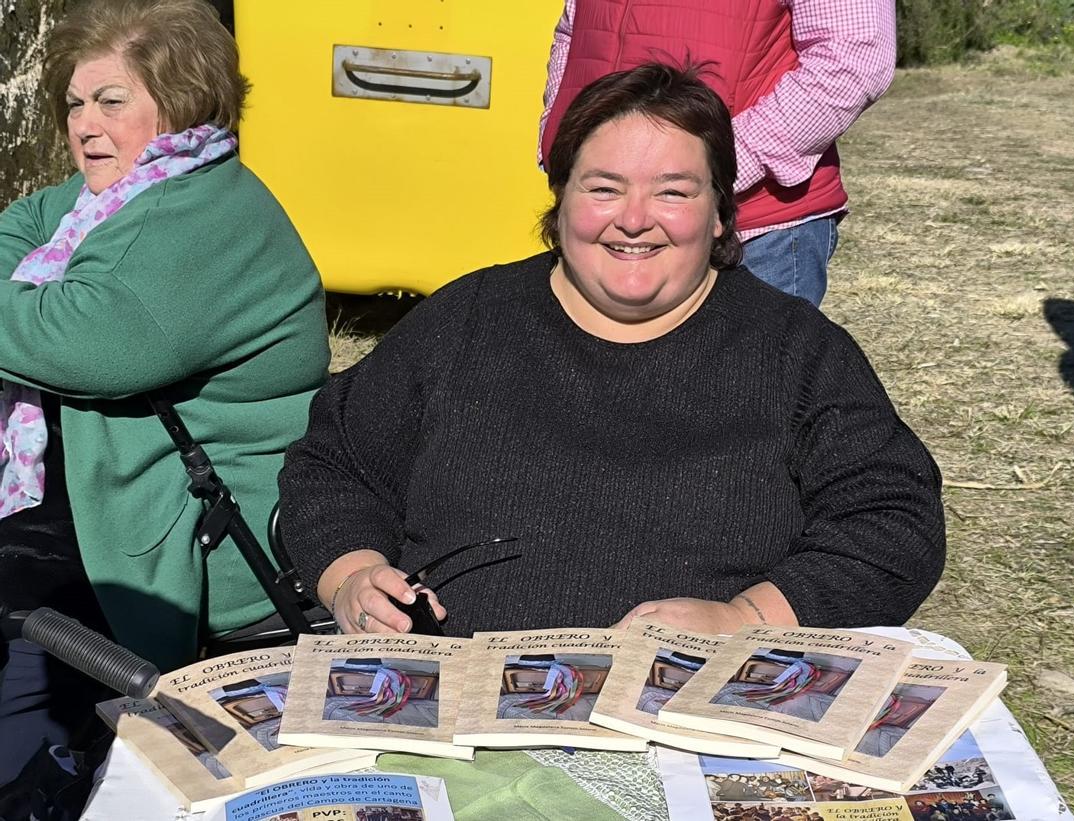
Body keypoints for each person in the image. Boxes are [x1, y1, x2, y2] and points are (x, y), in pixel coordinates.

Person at [279, 62, 943, 640]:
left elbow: (893, 521)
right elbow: (335, 462)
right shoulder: (467, 321)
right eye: (603, 187)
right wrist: (352, 577)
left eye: (673, 191)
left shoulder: (794, 352)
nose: (633, 218)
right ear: (561, 199)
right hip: (454, 710)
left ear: (718, 212)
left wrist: (747, 618)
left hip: (692, 724)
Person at [0, 0, 328, 791]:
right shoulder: (117, 197)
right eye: (76, 103)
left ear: (180, 102)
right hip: (104, 518)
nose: (84, 123)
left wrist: (30, 292)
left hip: (188, 554)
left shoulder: (199, 218)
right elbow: (22, 221)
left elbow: (73, 339)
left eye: (112, 101)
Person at [538, 0, 896, 308]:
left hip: (754, 229)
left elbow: (856, 56)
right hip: (608, 218)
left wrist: (717, 166)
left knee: (742, 385)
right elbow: (576, 28)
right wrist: (561, 139)